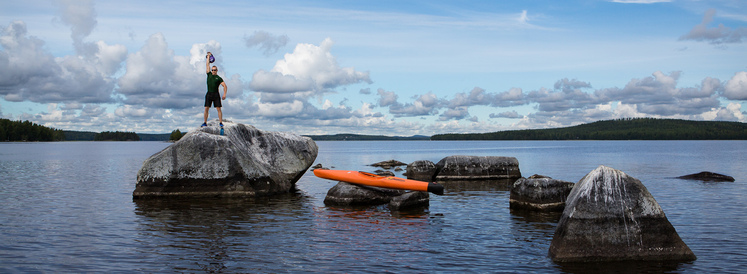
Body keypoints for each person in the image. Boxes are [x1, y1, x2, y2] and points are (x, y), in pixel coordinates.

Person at [202, 52, 228, 127]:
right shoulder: (209, 74)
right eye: (212, 70)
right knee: (206, 108)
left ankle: (220, 122)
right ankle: (205, 122)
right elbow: (207, 65)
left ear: (217, 70)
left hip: (216, 94)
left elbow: (225, 86)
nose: (213, 71)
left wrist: (224, 94)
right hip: (209, 93)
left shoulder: (218, 78)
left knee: (218, 109)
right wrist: (208, 57)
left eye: (214, 70)